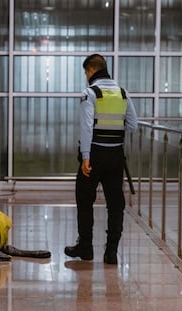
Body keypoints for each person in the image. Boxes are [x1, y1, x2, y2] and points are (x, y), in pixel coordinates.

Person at [64, 54, 138, 265]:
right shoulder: (123, 93)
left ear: (90, 71)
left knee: (85, 200)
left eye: (85, 72)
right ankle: (111, 252)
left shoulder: (91, 93)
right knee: (116, 204)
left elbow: (87, 127)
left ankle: (85, 248)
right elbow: (133, 124)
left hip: (94, 155)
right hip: (116, 157)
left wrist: (86, 157)